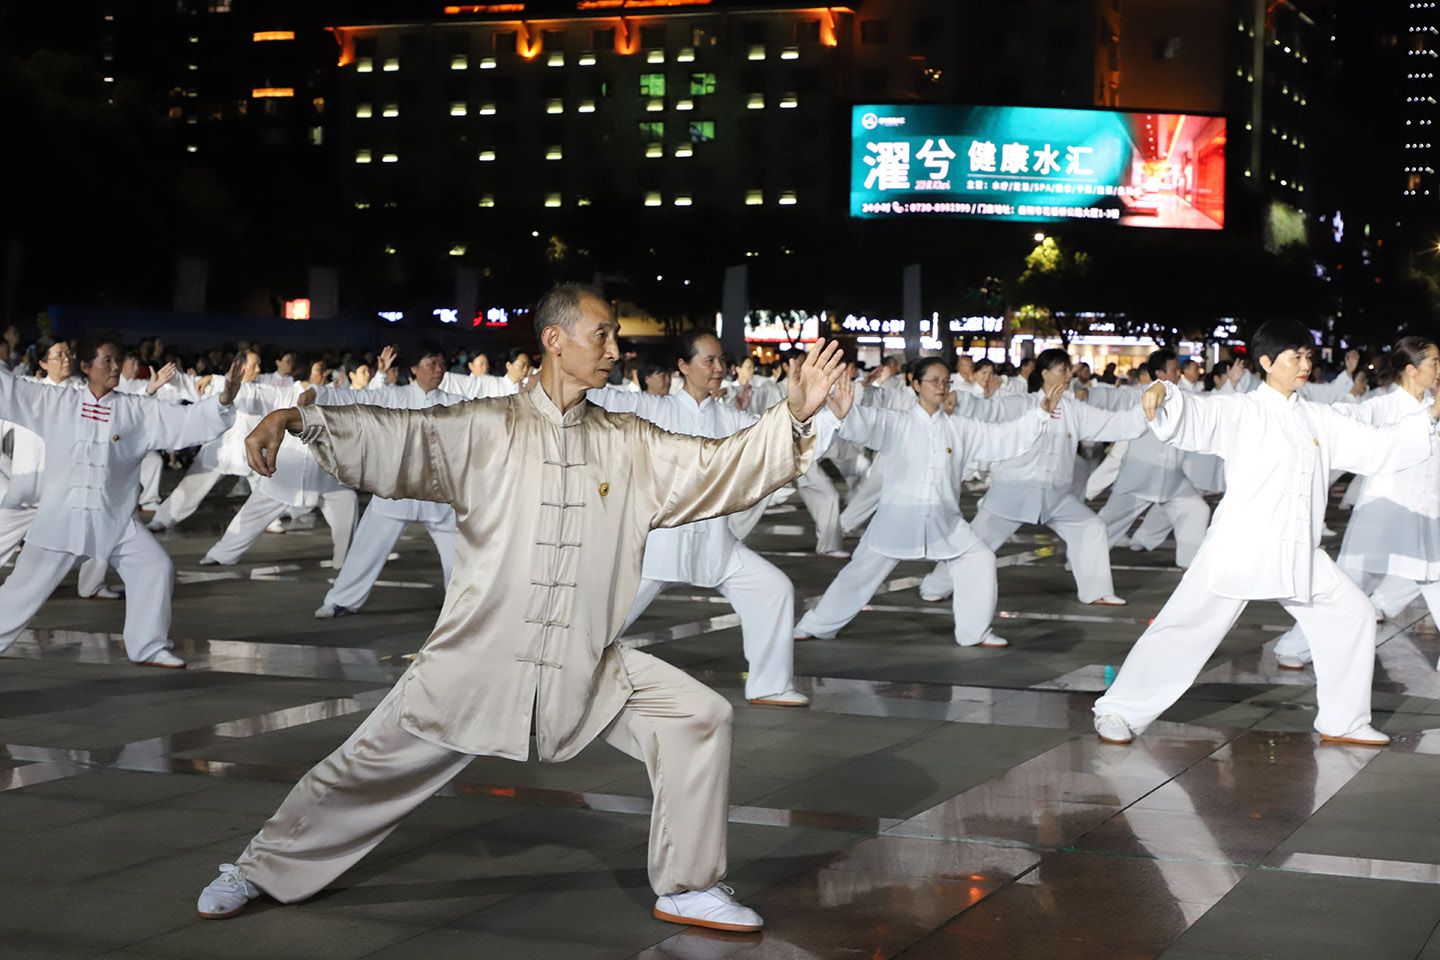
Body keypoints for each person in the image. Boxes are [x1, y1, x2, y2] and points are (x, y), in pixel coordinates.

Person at [195, 285, 847, 932]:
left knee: (696, 716)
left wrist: (791, 417)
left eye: (616, 336)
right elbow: (399, 436)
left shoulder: (629, 441)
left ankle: (687, 885)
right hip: (475, 657)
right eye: (604, 335)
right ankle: (260, 869)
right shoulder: (485, 427)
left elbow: (718, 467)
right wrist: (299, 419)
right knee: (366, 768)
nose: (616, 349)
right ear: (555, 340)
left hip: (584, 661)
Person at [1092, 321, 1440, 747]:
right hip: (1240, 545)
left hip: (1299, 550)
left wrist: (1431, 417)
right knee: (1184, 626)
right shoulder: (1244, 409)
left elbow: (1376, 448)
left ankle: (1343, 720)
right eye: (1295, 356)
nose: (1304, 364)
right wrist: (1164, 393)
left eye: (1307, 356)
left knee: (1353, 615)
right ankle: (1117, 710)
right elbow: (1197, 412)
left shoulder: (1318, 416)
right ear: (1265, 363)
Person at [589, 329, 819, 706]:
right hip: (656, 546)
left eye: (721, 361)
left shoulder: (729, 418)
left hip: (716, 544)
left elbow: (772, 443)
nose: (718, 368)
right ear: (683, 366)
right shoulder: (652, 408)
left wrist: (800, 410)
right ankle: (551, 682)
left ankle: (770, 686)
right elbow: (597, 397)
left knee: (773, 589)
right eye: (708, 361)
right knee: (600, 623)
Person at [0, 338, 242, 667]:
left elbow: (186, 422)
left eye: (118, 361)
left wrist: (223, 400)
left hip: (113, 518)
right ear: (86, 368)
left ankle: (148, 647)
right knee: (23, 590)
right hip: (59, 518)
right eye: (107, 361)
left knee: (154, 567)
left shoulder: (136, 409)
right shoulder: (55, 401)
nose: (115, 368)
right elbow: (9, 391)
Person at [796, 358, 1065, 648]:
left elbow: (1003, 437)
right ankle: (816, 624)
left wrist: (1039, 415)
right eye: (933, 380)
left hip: (944, 522)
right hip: (896, 520)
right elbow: (866, 424)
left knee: (979, 558)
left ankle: (974, 632)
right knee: (859, 574)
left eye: (945, 381)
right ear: (915, 384)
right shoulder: (897, 422)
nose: (941, 386)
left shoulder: (960, 427)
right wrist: (844, 416)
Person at [918, 348, 1146, 606]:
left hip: (1056, 495)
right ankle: (935, 585)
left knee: (1091, 528)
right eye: (1062, 369)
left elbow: (1114, 423)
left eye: (1068, 369)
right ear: (1046, 374)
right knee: (976, 545)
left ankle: (1097, 591)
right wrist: (960, 399)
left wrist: (1148, 413)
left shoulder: (1075, 410)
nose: (1068, 374)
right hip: (1013, 493)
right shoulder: (1022, 404)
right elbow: (988, 410)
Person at [1271, 336, 1440, 669]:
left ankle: (1374, 610)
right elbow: (1339, 418)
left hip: (1426, 516)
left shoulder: (1433, 404)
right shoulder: (1382, 405)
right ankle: (1293, 647)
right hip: (1383, 516)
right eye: (1434, 362)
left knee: (1434, 579)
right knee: (1346, 587)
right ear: (1410, 369)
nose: (1439, 370)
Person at [312, 345, 467, 618]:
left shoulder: (456, 402)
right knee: (366, 548)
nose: (438, 369)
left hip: (438, 492)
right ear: (414, 370)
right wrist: (318, 393)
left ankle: (462, 610)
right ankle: (342, 600)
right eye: (431, 363)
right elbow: (352, 399)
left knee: (460, 556)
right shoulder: (394, 396)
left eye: (441, 364)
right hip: (396, 489)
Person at [1094, 349, 1212, 569]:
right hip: (1139, 478)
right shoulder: (1139, 393)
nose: (1179, 374)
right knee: (1108, 523)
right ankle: (1081, 559)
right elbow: (1112, 397)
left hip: (1173, 480)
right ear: (1160, 373)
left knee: (1197, 510)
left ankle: (1191, 564)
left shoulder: (1184, 397)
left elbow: (1212, 404)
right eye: (1175, 370)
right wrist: (1087, 395)